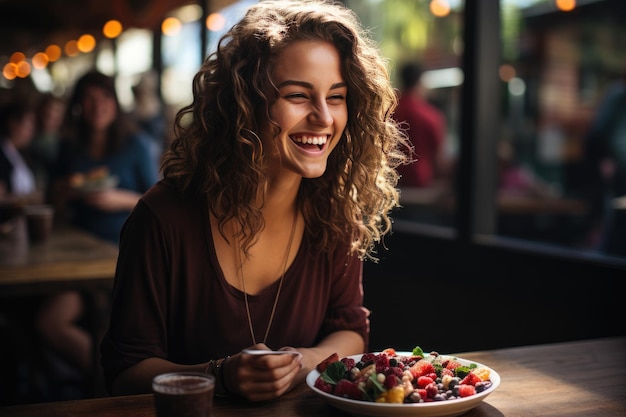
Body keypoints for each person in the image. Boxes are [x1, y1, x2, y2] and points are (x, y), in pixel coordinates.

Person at [100, 0, 408, 402]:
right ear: (243, 103)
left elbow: (350, 329)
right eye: (298, 95)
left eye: (336, 96)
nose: (324, 118)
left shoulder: (336, 215)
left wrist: (305, 360)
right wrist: (220, 376)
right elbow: (126, 373)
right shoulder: (163, 218)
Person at [37, 71, 160, 385]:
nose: (98, 106)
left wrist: (118, 199)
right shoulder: (70, 147)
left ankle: (107, 384)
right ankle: (102, 379)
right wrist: (61, 193)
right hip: (74, 253)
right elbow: (52, 203)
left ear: (115, 103)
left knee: (54, 322)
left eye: (104, 98)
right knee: (41, 321)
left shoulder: (136, 144)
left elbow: (160, 207)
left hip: (123, 257)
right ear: (78, 105)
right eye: (89, 99)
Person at [392, 61, 447, 188]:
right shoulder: (431, 116)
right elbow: (440, 160)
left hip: (391, 183)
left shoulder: (389, 113)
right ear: (420, 81)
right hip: (421, 185)